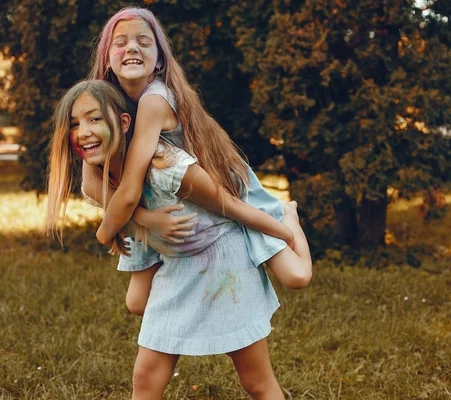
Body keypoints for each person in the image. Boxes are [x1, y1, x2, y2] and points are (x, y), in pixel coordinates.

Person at [46, 79, 307, 399]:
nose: (83, 131)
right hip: (177, 262)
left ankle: (288, 215)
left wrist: (284, 231)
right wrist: (148, 220)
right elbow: (127, 207)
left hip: (224, 258)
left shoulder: (168, 167)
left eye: (95, 118)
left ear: (124, 122)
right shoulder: (97, 179)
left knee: (255, 380)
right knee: (145, 378)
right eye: (74, 124)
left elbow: (233, 207)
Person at [87, 7, 312, 304]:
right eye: (121, 42)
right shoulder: (104, 103)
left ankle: (287, 214)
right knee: (137, 302)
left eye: (144, 42)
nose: (132, 47)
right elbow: (90, 182)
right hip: (167, 197)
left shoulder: (155, 101)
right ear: (106, 58)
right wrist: (145, 219)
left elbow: (127, 191)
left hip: (222, 184)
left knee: (296, 277)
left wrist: (106, 232)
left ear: (160, 61)